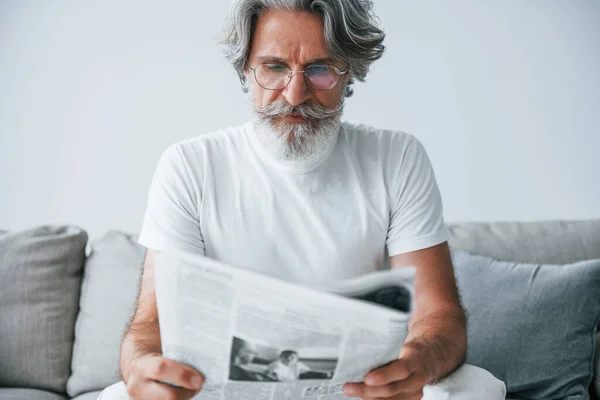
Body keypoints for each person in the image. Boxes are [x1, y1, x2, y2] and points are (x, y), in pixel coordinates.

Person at [101, 0, 508, 399]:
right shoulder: (189, 164)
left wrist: (415, 363)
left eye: (320, 69)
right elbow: (149, 325)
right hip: (221, 392)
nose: (295, 94)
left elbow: (438, 314)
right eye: (274, 67)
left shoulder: (397, 158)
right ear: (246, 68)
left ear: (349, 73)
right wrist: (142, 367)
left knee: (474, 388)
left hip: (359, 392)